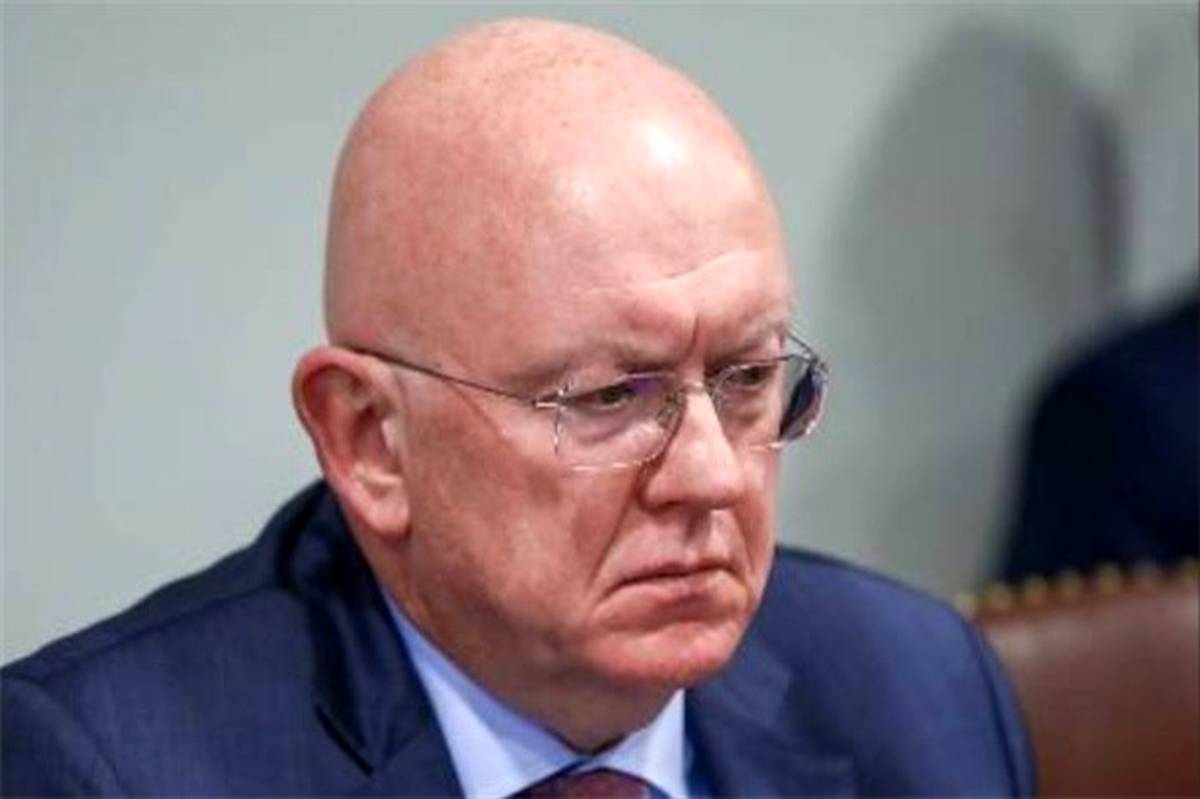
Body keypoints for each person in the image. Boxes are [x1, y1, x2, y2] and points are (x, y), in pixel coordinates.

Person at [2, 19, 1033, 796]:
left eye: (748, 377)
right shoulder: (107, 766)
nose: (712, 474)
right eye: (610, 396)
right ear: (370, 440)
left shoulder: (920, 687)